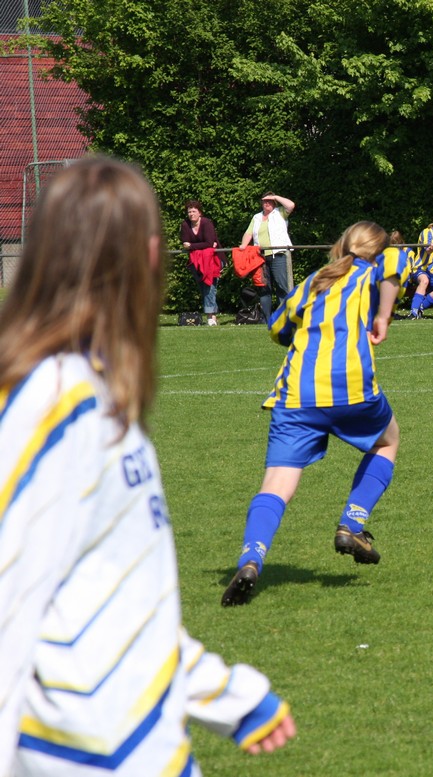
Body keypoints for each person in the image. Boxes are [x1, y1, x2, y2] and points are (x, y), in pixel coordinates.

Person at [0, 156, 295, 775]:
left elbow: (118, 594)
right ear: (141, 258)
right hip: (82, 752)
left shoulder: (98, 390)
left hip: (146, 741)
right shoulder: (49, 401)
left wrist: (223, 695)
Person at [222, 220, 402, 606]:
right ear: (375, 250)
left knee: (276, 485)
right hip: (351, 387)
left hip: (296, 395)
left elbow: (277, 329)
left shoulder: (315, 280)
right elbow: (394, 264)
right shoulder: (372, 271)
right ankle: (352, 523)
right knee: (388, 441)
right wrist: (383, 316)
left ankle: (251, 558)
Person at [239, 191, 296, 320]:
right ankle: (266, 318)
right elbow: (248, 233)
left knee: (282, 286)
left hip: (278, 255)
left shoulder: (280, 213)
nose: (267, 203)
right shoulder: (256, 217)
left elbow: (291, 205)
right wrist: (243, 245)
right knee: (264, 288)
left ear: (274, 202)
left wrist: (275, 196)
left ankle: (284, 317)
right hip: (260, 257)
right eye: (265, 201)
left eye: (270, 201)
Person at [181, 198, 222, 325]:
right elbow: (185, 242)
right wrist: (200, 246)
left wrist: (192, 246)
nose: (191, 214)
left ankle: (210, 317)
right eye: (189, 212)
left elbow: (209, 242)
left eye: (194, 211)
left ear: (200, 212)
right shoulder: (185, 224)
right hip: (196, 261)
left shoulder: (206, 223)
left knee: (210, 287)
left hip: (212, 260)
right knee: (203, 288)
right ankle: (213, 315)